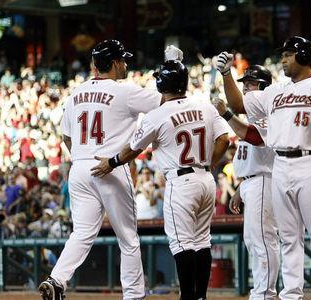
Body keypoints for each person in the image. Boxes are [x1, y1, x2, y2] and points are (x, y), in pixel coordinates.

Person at [216, 36, 311, 300]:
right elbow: (238, 105)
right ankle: (291, 294)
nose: (283, 59)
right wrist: (225, 74)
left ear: (302, 56)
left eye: (288, 54)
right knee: (289, 236)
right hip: (280, 164)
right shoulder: (276, 90)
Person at [90, 59, 230, 300]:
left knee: (182, 244)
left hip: (181, 181)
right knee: (202, 241)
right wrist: (210, 163)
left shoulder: (157, 114)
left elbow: (132, 149)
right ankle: (200, 297)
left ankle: (188, 297)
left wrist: (111, 162)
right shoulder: (205, 106)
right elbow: (224, 139)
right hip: (206, 179)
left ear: (163, 83)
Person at [38, 39, 165, 300]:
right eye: (123, 60)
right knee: (128, 238)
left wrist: (81, 158)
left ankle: (57, 279)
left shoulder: (75, 94)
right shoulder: (125, 91)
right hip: (110, 166)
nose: (126, 64)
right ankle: (133, 295)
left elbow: (66, 136)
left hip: (80, 166)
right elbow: (168, 100)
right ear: (115, 63)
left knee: (82, 232)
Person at [220, 64, 280, 299]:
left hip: (265, 180)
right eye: (244, 83)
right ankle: (262, 291)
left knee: (263, 239)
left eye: (251, 83)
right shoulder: (253, 115)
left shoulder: (267, 111)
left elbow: (254, 138)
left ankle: (265, 293)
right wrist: (240, 188)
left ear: (264, 86)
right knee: (254, 240)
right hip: (252, 182)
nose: (245, 87)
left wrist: (227, 114)